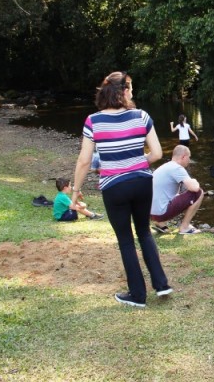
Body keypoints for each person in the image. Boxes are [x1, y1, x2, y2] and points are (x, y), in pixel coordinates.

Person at [70, 71, 171, 308]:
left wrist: (75, 191)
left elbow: (84, 161)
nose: (133, 92)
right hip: (143, 182)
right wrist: (135, 163)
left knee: (126, 240)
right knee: (144, 232)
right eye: (131, 88)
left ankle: (137, 295)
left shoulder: (93, 121)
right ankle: (162, 284)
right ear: (124, 91)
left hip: (114, 187)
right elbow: (157, 154)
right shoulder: (141, 116)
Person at [150, 144, 204, 235]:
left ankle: (160, 223)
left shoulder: (165, 166)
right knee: (199, 192)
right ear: (183, 156)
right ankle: (185, 227)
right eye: (189, 157)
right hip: (161, 213)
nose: (189, 160)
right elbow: (195, 188)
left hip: (152, 213)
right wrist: (194, 180)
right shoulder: (177, 168)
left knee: (177, 195)